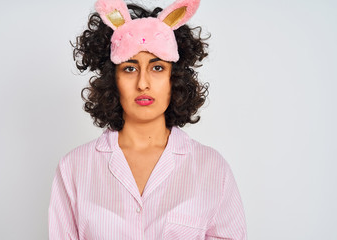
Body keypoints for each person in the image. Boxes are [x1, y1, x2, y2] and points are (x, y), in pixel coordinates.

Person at [48, 0, 247, 239]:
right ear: (113, 79)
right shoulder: (74, 168)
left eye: (158, 68)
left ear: (175, 77)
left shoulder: (212, 169)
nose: (143, 83)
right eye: (130, 68)